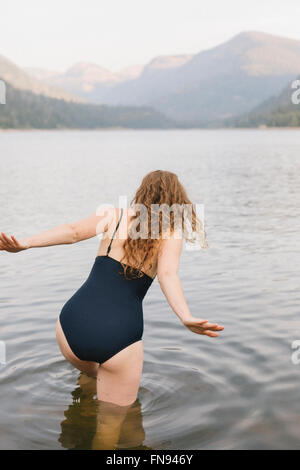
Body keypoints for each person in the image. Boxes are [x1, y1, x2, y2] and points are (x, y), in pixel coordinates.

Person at [0, 170, 224, 407]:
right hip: (119, 338)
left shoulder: (113, 216)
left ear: (142, 193)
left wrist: (26, 243)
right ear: (177, 201)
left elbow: (72, 232)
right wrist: (185, 317)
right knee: (112, 430)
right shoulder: (169, 235)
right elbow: (167, 276)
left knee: (91, 374)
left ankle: (82, 410)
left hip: (70, 327)